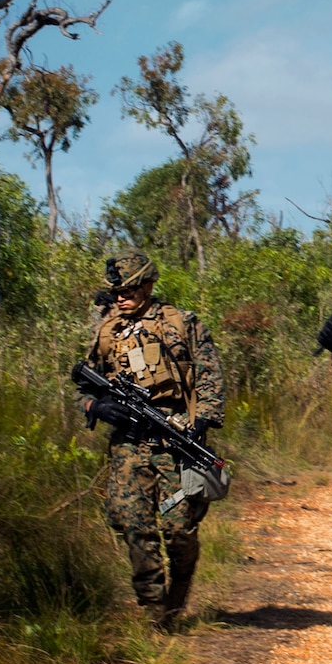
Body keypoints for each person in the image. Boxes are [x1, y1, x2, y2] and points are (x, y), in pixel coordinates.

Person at [77, 249, 225, 630]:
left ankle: (178, 594)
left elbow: (210, 375)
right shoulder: (107, 331)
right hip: (128, 444)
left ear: (148, 285)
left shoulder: (181, 323)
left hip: (173, 438)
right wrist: (97, 406)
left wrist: (201, 421)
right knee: (134, 527)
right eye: (116, 291)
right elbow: (81, 384)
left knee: (178, 529)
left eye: (128, 289)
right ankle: (155, 615)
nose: (121, 297)